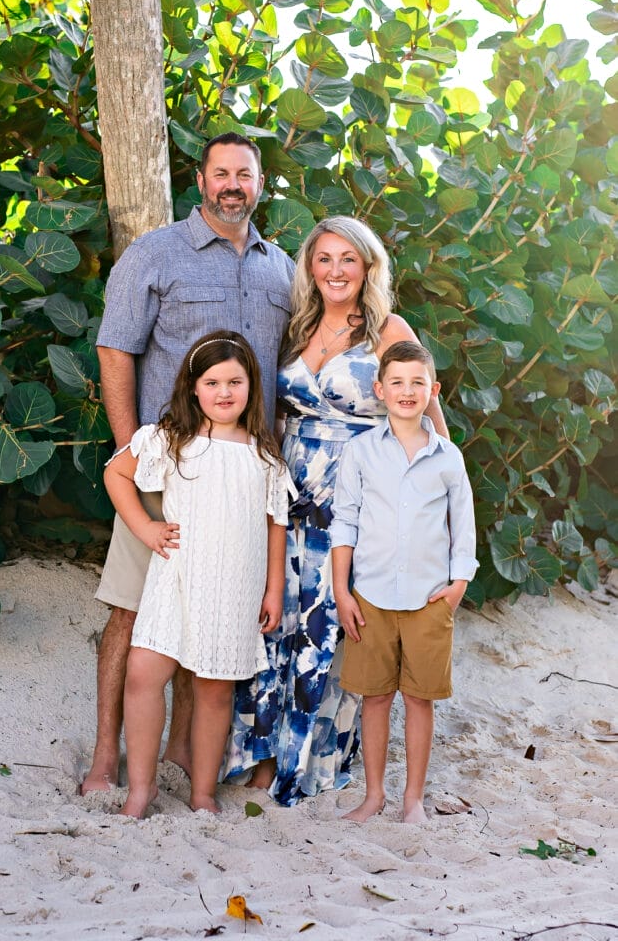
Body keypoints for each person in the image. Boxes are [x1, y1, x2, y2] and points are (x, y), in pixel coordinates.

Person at [81, 132, 294, 794]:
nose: (232, 185)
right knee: (131, 611)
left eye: (244, 174)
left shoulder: (281, 270)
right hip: (164, 470)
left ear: (259, 185)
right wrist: (133, 452)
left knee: (208, 610)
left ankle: (180, 751)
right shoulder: (156, 253)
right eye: (220, 173)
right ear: (200, 181)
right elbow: (115, 349)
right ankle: (105, 755)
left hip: (239, 479)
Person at [223, 216, 449, 806]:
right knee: (278, 622)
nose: (336, 271)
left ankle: (310, 764)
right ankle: (265, 758)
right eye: (324, 259)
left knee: (328, 624)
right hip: (290, 491)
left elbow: (431, 424)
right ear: (310, 268)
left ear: (368, 267)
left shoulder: (388, 329)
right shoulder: (297, 327)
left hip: (360, 498)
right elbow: (276, 415)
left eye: (348, 259)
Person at [104, 333, 293, 816]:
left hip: (234, 585)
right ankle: (141, 790)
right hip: (176, 578)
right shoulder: (170, 439)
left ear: (252, 386)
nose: (224, 392)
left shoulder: (264, 455)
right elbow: (116, 474)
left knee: (214, 687)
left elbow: (276, 523)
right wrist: (145, 528)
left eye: (235, 381)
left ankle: (203, 794)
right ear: (193, 387)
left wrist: (273, 589)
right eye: (212, 382)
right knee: (143, 674)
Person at [330, 340, 478, 823]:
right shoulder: (360, 452)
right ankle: (374, 796)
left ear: (433, 390)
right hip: (370, 595)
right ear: (380, 389)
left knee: (419, 698)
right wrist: (342, 591)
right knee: (374, 698)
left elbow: (463, 526)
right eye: (396, 382)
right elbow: (345, 522)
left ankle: (412, 799)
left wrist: (458, 586)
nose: (407, 390)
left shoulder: (448, 457)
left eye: (418, 382)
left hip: (429, 598)